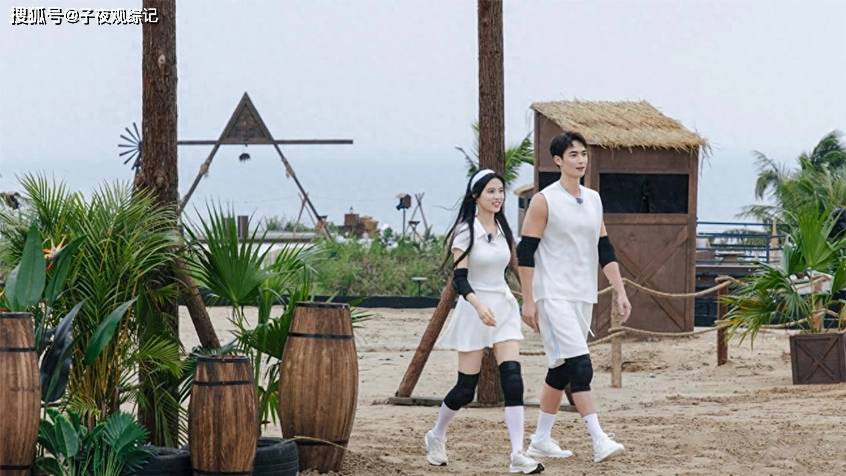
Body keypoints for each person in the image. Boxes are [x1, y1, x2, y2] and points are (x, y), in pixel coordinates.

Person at [516, 132, 632, 464]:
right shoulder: (544, 200)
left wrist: (620, 290)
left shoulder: (593, 199)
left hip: (583, 294)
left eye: (583, 154)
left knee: (562, 368)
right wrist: (528, 300)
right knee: (581, 366)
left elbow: (604, 249)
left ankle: (540, 439)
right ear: (558, 160)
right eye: (573, 155)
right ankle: (599, 439)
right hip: (552, 294)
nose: (580, 160)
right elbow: (526, 252)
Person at [424, 169, 544, 474]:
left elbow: (516, 264)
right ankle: (436, 434)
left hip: (503, 307)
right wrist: (478, 306)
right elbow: (460, 279)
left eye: (500, 191)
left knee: (513, 379)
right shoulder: (466, 231)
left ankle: (518, 454)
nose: (498, 196)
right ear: (476, 196)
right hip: (474, 310)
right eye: (491, 191)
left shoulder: (504, 229)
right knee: (466, 389)